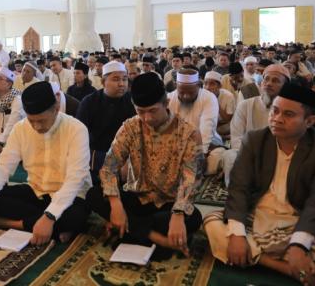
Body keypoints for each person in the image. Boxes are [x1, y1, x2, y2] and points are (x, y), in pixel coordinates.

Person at [204, 83, 315, 285]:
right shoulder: (255, 139)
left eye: (288, 114)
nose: (277, 119)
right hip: (256, 214)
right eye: (275, 111)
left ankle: (252, 256)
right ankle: (283, 267)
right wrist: (238, 235)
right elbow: (238, 188)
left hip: (296, 219)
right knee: (212, 222)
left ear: (309, 121)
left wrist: (298, 246)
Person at [98, 72, 204, 259]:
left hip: (169, 204)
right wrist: (115, 204)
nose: (146, 118)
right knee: (94, 195)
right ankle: (158, 239)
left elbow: (191, 179)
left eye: (152, 111)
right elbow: (108, 167)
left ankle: (130, 230)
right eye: (140, 111)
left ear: (166, 103)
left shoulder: (189, 133)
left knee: (193, 218)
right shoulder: (130, 126)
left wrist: (178, 215)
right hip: (137, 198)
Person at [0, 81, 92, 244]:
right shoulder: (21, 128)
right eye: (31, 120)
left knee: (76, 216)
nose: (36, 126)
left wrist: (50, 216)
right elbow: (2, 166)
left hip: (70, 196)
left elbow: (75, 180)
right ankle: (49, 228)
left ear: (56, 109)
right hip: (36, 191)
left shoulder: (76, 129)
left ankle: (9, 223)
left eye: (41, 121)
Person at [223, 64, 290, 186]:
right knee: (230, 156)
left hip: (278, 157)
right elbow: (236, 137)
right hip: (248, 155)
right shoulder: (246, 105)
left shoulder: (290, 110)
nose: (269, 83)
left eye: (275, 81)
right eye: (266, 79)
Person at [76, 61, 136, 183]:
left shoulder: (132, 101)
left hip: (126, 159)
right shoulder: (89, 102)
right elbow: (79, 137)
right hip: (95, 158)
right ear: (103, 82)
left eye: (124, 79)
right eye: (115, 79)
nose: (121, 84)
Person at [167, 69, 223, 175]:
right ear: (176, 86)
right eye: (182, 92)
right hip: (178, 147)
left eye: (191, 92)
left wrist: (201, 156)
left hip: (208, 146)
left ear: (198, 86)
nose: (186, 96)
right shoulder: (169, 98)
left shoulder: (209, 98)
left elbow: (207, 130)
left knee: (217, 158)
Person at [203, 71, 236, 142]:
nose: (207, 87)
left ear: (219, 86)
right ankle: (223, 137)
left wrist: (215, 101)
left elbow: (228, 119)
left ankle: (218, 137)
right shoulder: (201, 96)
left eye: (212, 84)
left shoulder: (228, 96)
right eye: (205, 83)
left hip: (224, 124)